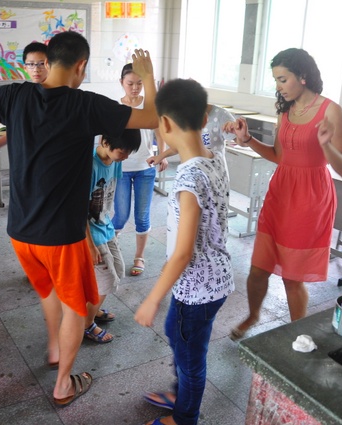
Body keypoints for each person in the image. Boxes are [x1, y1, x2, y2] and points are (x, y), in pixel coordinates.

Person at [0, 31, 158, 407]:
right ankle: (64, 384)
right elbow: (151, 116)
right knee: (75, 309)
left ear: (49, 61)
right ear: (81, 65)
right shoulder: (86, 105)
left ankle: (54, 349)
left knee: (48, 292)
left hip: (20, 231)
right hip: (61, 236)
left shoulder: (13, 95)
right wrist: (148, 76)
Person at [223, 48, 342, 341]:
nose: (278, 86)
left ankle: (298, 334)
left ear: (302, 76)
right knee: (258, 268)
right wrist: (247, 139)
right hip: (280, 193)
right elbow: (280, 156)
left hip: (310, 200)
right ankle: (253, 315)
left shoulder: (331, 110)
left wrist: (326, 145)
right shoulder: (285, 110)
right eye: (276, 80)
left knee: (293, 278)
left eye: (283, 79)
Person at [135, 78, 235, 425]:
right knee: (178, 334)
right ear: (205, 119)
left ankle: (184, 417)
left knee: (191, 359)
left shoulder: (189, 179)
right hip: (214, 279)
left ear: (164, 124)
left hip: (197, 287)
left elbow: (183, 253)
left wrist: (151, 299)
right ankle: (182, 395)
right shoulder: (212, 160)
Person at [84, 129, 142, 344]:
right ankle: (86, 324)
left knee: (117, 270)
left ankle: (93, 308)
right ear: (104, 141)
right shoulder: (88, 166)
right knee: (107, 279)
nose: (125, 157)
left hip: (105, 226)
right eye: (122, 151)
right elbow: (77, 210)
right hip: (90, 233)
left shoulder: (115, 161)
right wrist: (90, 246)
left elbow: (109, 194)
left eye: (129, 153)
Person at [113, 63, 168, 277]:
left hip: (146, 167)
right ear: (121, 83)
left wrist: (162, 154)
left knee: (142, 216)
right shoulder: (116, 106)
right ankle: (107, 249)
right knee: (120, 216)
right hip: (122, 168)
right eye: (130, 83)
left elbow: (159, 131)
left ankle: (139, 257)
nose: (135, 88)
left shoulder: (149, 105)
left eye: (139, 83)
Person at [0, 42, 48, 160]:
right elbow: (20, 128)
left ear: (50, 65)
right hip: (27, 160)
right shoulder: (23, 95)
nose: (36, 69)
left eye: (41, 64)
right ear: (25, 68)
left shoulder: (58, 94)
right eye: (31, 64)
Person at [147, 104, 236, 169]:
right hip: (195, 168)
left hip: (213, 171)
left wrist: (241, 133)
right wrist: (161, 156)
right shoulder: (187, 115)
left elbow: (239, 140)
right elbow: (182, 144)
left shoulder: (221, 115)